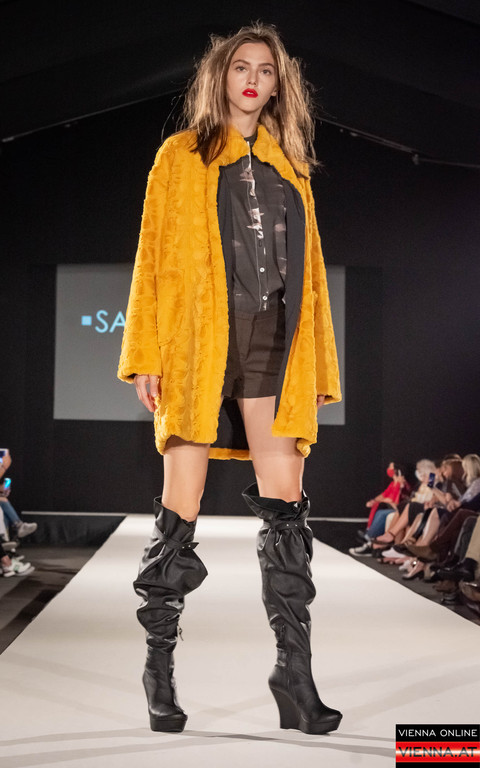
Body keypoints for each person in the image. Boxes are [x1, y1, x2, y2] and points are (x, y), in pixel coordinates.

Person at [118, 22, 342, 735]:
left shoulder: (291, 167)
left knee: (288, 510)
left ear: (279, 85)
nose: (252, 79)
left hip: (274, 343)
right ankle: (159, 672)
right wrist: (145, 352)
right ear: (220, 77)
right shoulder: (179, 156)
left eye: (265, 70)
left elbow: (311, 280)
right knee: (180, 505)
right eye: (241, 67)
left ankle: (294, 677)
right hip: (198, 346)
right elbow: (151, 257)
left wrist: (319, 362)